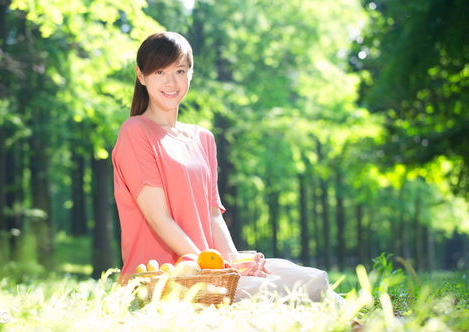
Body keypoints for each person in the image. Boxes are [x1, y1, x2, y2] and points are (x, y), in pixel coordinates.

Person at [112, 31, 343, 304]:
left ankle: (367, 319)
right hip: (170, 278)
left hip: (214, 269)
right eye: (159, 72)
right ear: (141, 76)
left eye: (180, 70)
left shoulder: (203, 138)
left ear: (191, 74)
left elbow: (212, 216)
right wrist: (210, 264)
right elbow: (158, 218)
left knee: (311, 278)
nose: (171, 81)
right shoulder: (136, 131)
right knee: (293, 291)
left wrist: (234, 261)